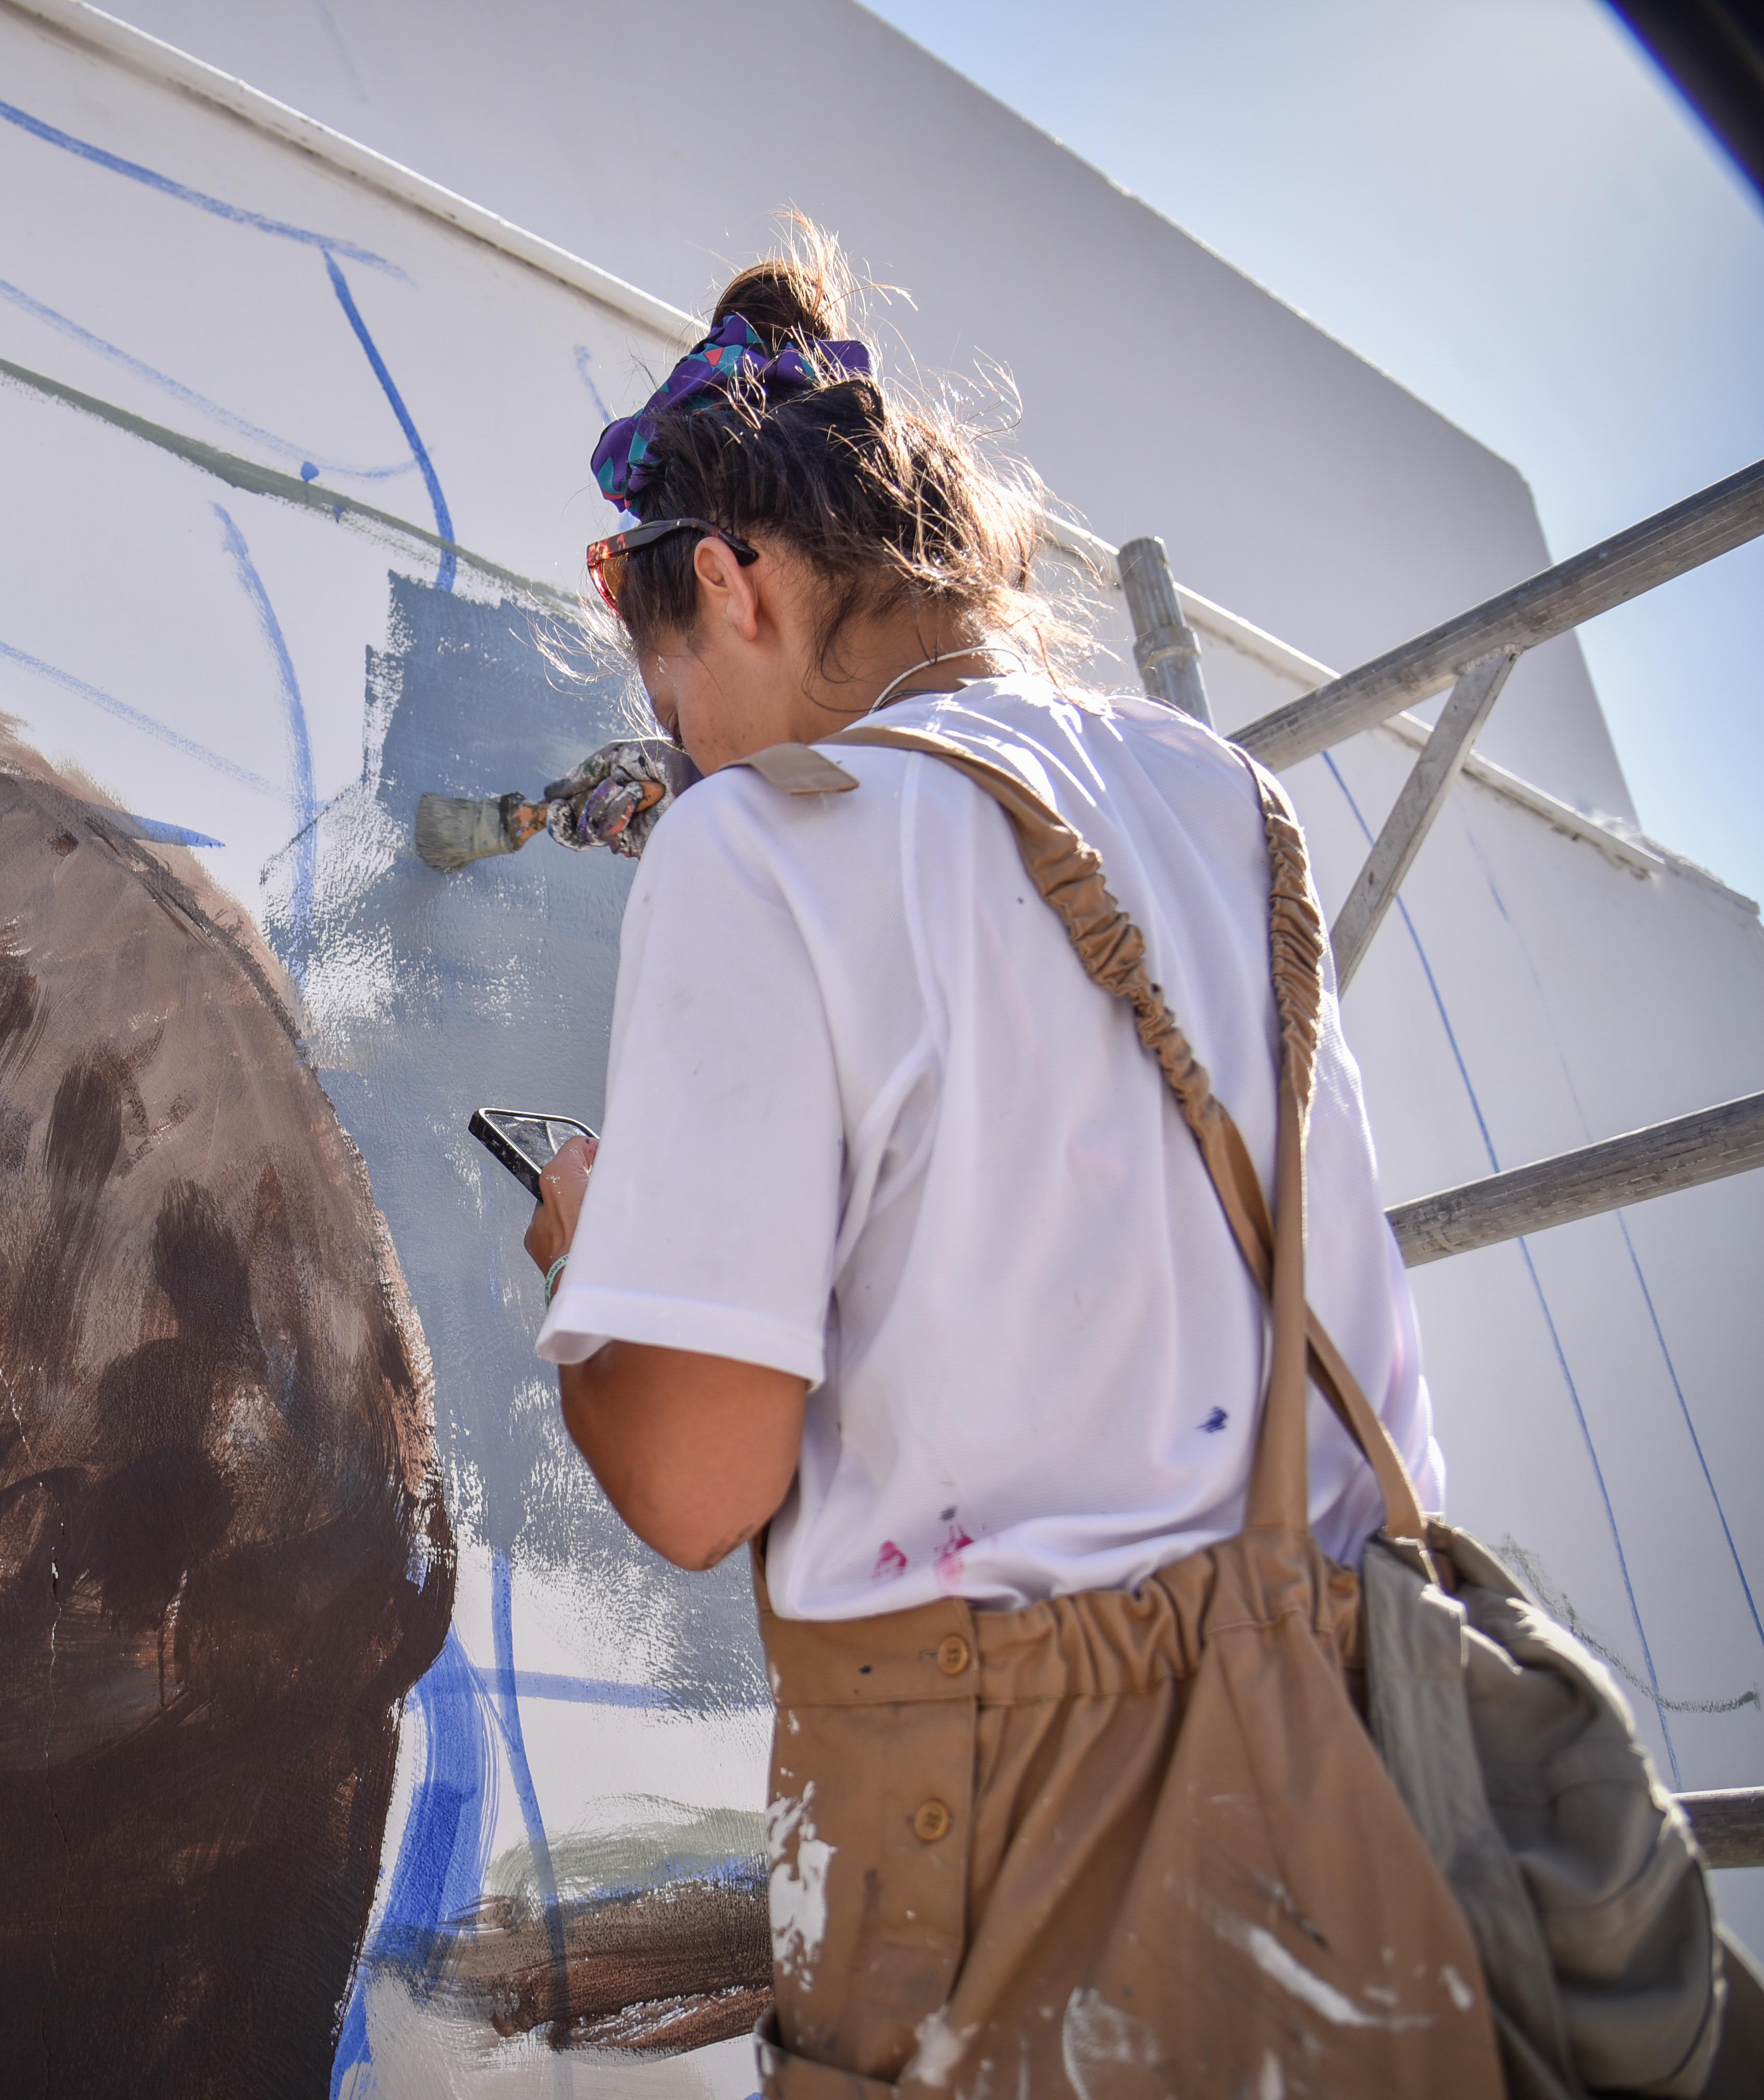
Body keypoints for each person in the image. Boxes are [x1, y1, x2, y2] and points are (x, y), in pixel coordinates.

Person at [519, 226, 1509, 2095]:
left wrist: (598, 1256)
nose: (690, 763)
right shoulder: (1228, 799)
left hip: (993, 1800)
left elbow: (697, 1483)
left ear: (726, 582)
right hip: (1358, 1744)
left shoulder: (757, 843)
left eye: (671, 705)